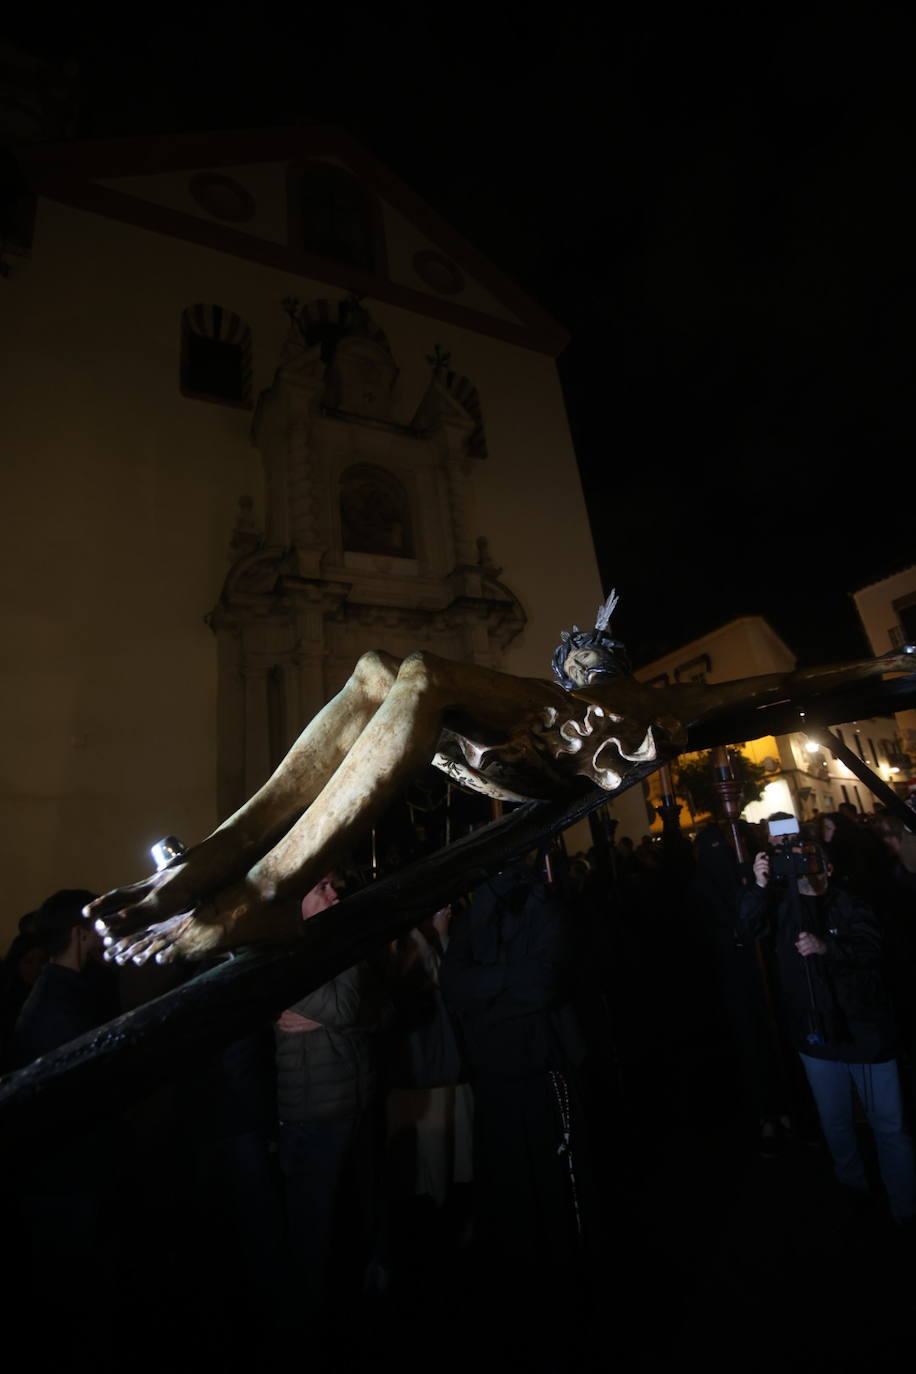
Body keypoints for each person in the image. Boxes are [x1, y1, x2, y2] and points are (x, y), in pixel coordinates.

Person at [86, 593, 916, 966]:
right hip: (527, 741)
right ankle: (218, 858)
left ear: (613, 661)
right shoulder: (556, 692)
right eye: (575, 655)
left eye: (593, 653)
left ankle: (270, 891)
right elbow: (543, 698)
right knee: (380, 666)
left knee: (417, 674)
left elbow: (772, 687)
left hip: (556, 759)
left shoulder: (638, 696)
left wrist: (881, 661)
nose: (584, 657)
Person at [739, 833, 916, 1225]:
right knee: (835, 1121)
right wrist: (760, 885)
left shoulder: (850, 901)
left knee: (888, 1124)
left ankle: (905, 1206)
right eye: (795, 859)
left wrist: (827, 948)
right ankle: (853, 1191)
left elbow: (872, 948)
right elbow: (748, 927)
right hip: (815, 1034)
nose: (803, 865)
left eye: (811, 857)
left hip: (865, 1033)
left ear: (830, 866)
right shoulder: (782, 907)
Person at [274, 873, 386, 1335]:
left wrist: (343, 1012)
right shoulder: (285, 952)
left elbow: (369, 1007)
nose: (334, 893)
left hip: (353, 1098)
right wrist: (351, 1009)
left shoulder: (339, 941)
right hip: (315, 1109)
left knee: (353, 1212)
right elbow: (347, 1007)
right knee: (315, 1222)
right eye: (321, 888)